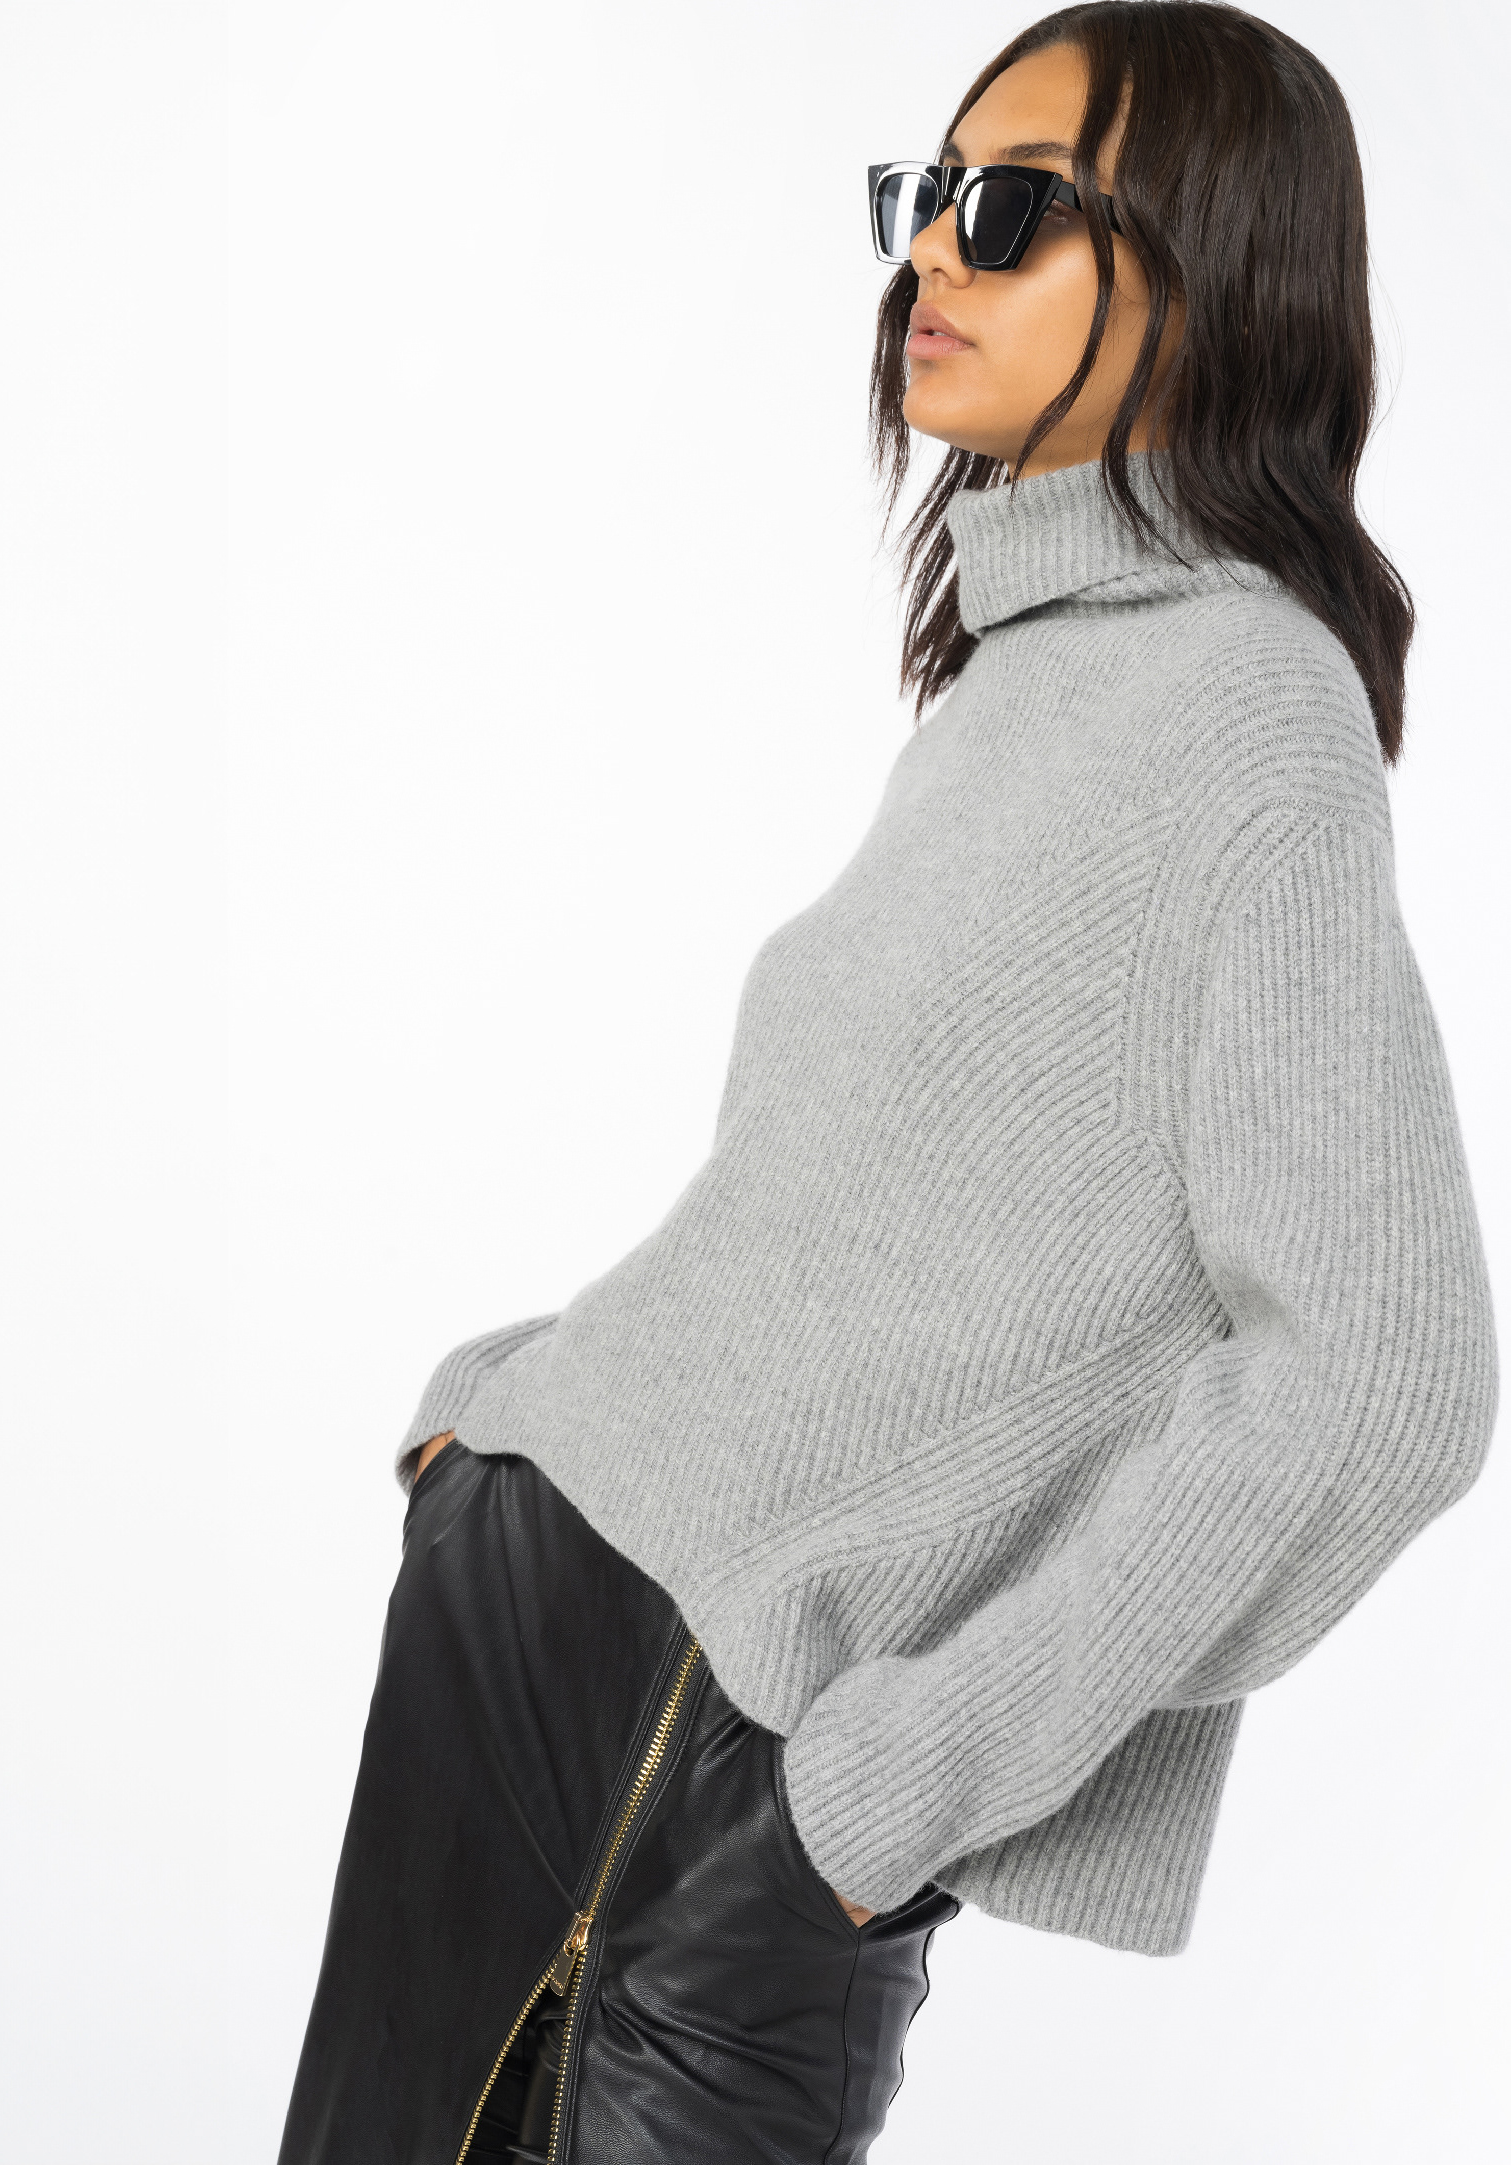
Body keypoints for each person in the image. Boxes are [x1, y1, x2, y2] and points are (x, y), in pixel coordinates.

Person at [278, 6, 1499, 2160]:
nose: (931, 251)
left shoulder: (1250, 720)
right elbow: (852, 1234)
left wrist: (901, 1782)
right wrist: (510, 1407)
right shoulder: (1026, 682)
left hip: (744, 1795)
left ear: (1211, 264)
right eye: (927, 196)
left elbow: (1384, 1372)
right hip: (525, 1634)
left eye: (1008, 209)